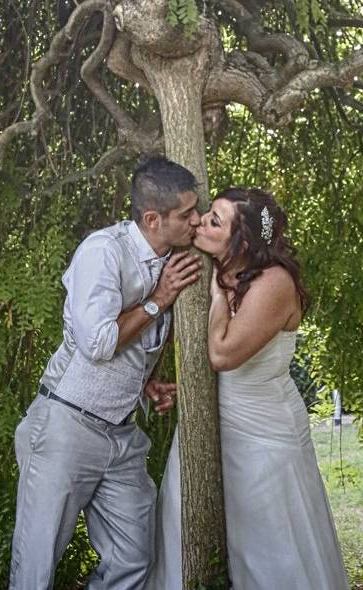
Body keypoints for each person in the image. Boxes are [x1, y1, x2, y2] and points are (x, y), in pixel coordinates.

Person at [9, 156, 203, 590]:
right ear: (153, 219)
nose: (197, 219)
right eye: (187, 214)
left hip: (121, 436)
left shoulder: (170, 256)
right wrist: (160, 298)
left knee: (134, 557)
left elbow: (128, 346)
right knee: (35, 571)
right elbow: (97, 343)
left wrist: (141, 383)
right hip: (65, 427)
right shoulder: (103, 252)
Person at [148, 188, 349, 589]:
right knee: (181, 528)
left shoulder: (275, 283)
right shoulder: (214, 270)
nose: (200, 222)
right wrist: (186, 391)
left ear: (242, 242)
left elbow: (222, 355)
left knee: (269, 553)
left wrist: (217, 295)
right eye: (207, 215)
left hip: (265, 435)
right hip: (210, 427)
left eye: (214, 221)